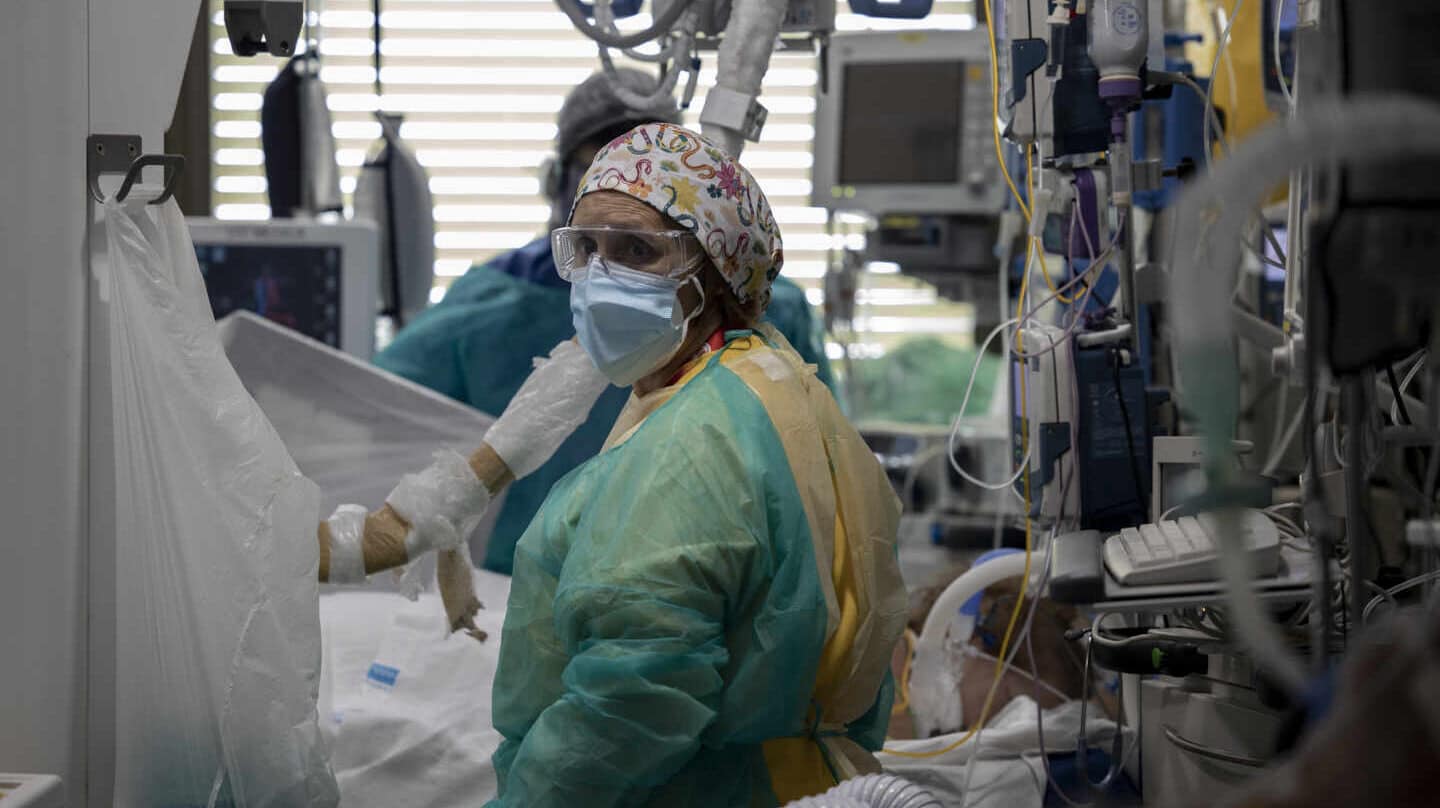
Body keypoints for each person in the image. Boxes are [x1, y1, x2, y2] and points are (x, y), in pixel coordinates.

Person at [486, 122, 907, 807]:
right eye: (585, 247)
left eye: (636, 251)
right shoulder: (774, 386)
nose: (599, 278)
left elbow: (632, 700)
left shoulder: (691, 443)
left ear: (715, 270)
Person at [373, 70, 834, 575]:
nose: (631, 183)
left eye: (654, 172)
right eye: (604, 163)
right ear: (562, 184)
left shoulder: (759, 308)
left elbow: (816, 475)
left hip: (705, 584)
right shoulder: (494, 304)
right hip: (520, 591)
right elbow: (370, 405)